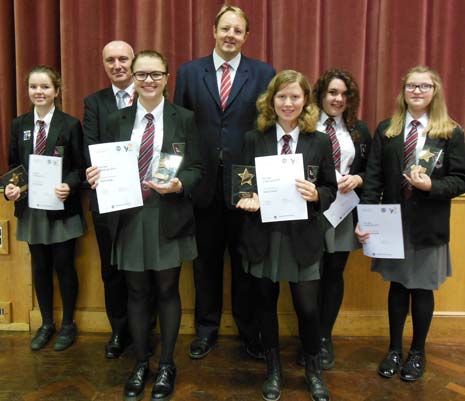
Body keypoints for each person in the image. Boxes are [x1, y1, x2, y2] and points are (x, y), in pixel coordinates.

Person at [87, 50, 203, 401]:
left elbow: (197, 169)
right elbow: (103, 166)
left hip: (168, 213)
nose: (148, 81)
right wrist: (95, 176)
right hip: (129, 214)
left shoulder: (184, 118)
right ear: (132, 80)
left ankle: (167, 364)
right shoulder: (116, 119)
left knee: (167, 291)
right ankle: (141, 362)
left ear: (167, 77)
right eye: (141, 75)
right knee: (135, 292)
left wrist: (179, 185)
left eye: (155, 74)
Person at [174, 4, 275, 360]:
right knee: (206, 263)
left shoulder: (264, 74)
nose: (230, 35)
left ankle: (250, 333)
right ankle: (206, 330)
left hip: (247, 184)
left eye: (238, 30)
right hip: (202, 184)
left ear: (247, 36)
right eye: (225, 28)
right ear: (213, 31)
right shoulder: (188, 73)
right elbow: (178, 128)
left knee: (245, 261)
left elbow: (269, 129)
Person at [356, 66, 465, 382]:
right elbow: (373, 177)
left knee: (422, 289)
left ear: (435, 91)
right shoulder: (387, 130)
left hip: (429, 222)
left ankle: (417, 352)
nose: (417, 91)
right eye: (411, 86)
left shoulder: (450, 132)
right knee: (398, 287)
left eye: (424, 86)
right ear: (403, 92)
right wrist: (365, 219)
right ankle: (393, 349)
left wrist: (432, 187)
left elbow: (460, 179)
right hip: (392, 223)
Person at [237, 70, 336, 401]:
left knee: (308, 308)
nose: (288, 103)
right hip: (263, 234)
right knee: (265, 305)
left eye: (295, 96)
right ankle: (273, 370)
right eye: (282, 97)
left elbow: (331, 190)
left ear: (306, 100)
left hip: (302, 236)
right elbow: (239, 184)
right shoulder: (254, 138)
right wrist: (245, 198)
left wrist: (317, 195)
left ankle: (313, 370)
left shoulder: (319, 141)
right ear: (271, 100)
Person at [6, 65, 86, 351]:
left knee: (64, 265)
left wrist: (70, 186)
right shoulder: (19, 125)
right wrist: (12, 188)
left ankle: (67, 325)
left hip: (61, 207)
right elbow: (14, 168)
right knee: (40, 267)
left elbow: (80, 168)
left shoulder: (70, 124)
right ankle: (46, 323)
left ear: (57, 91)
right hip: (31, 209)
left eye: (45, 87)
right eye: (33, 87)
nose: (38, 92)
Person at [308, 68, 372, 369]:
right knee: (310, 276)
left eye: (344, 94)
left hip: (345, 211)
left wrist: (357, 179)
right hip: (313, 210)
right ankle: (308, 338)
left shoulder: (358, 130)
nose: (338, 99)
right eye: (333, 92)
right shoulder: (306, 125)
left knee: (334, 275)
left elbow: (371, 170)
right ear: (321, 93)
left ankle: (324, 338)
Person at [83, 40, 135, 358]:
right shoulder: (94, 103)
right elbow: (92, 146)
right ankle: (118, 330)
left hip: (145, 199)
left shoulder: (150, 98)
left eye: (123, 59)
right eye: (110, 60)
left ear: (133, 61)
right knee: (111, 268)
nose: (117, 65)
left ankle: (145, 327)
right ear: (103, 65)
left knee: (144, 270)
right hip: (106, 198)